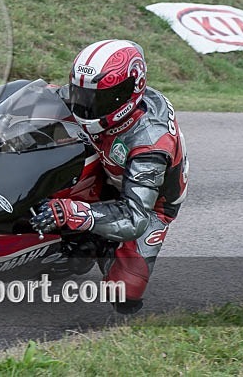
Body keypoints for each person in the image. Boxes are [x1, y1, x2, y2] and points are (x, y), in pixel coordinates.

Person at [31, 39, 188, 314]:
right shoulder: (98, 99)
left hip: (148, 203)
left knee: (124, 295)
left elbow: (135, 217)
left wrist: (71, 213)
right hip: (104, 162)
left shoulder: (151, 144)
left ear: (128, 93)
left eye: (97, 99)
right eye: (83, 94)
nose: (86, 106)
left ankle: (93, 243)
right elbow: (51, 96)